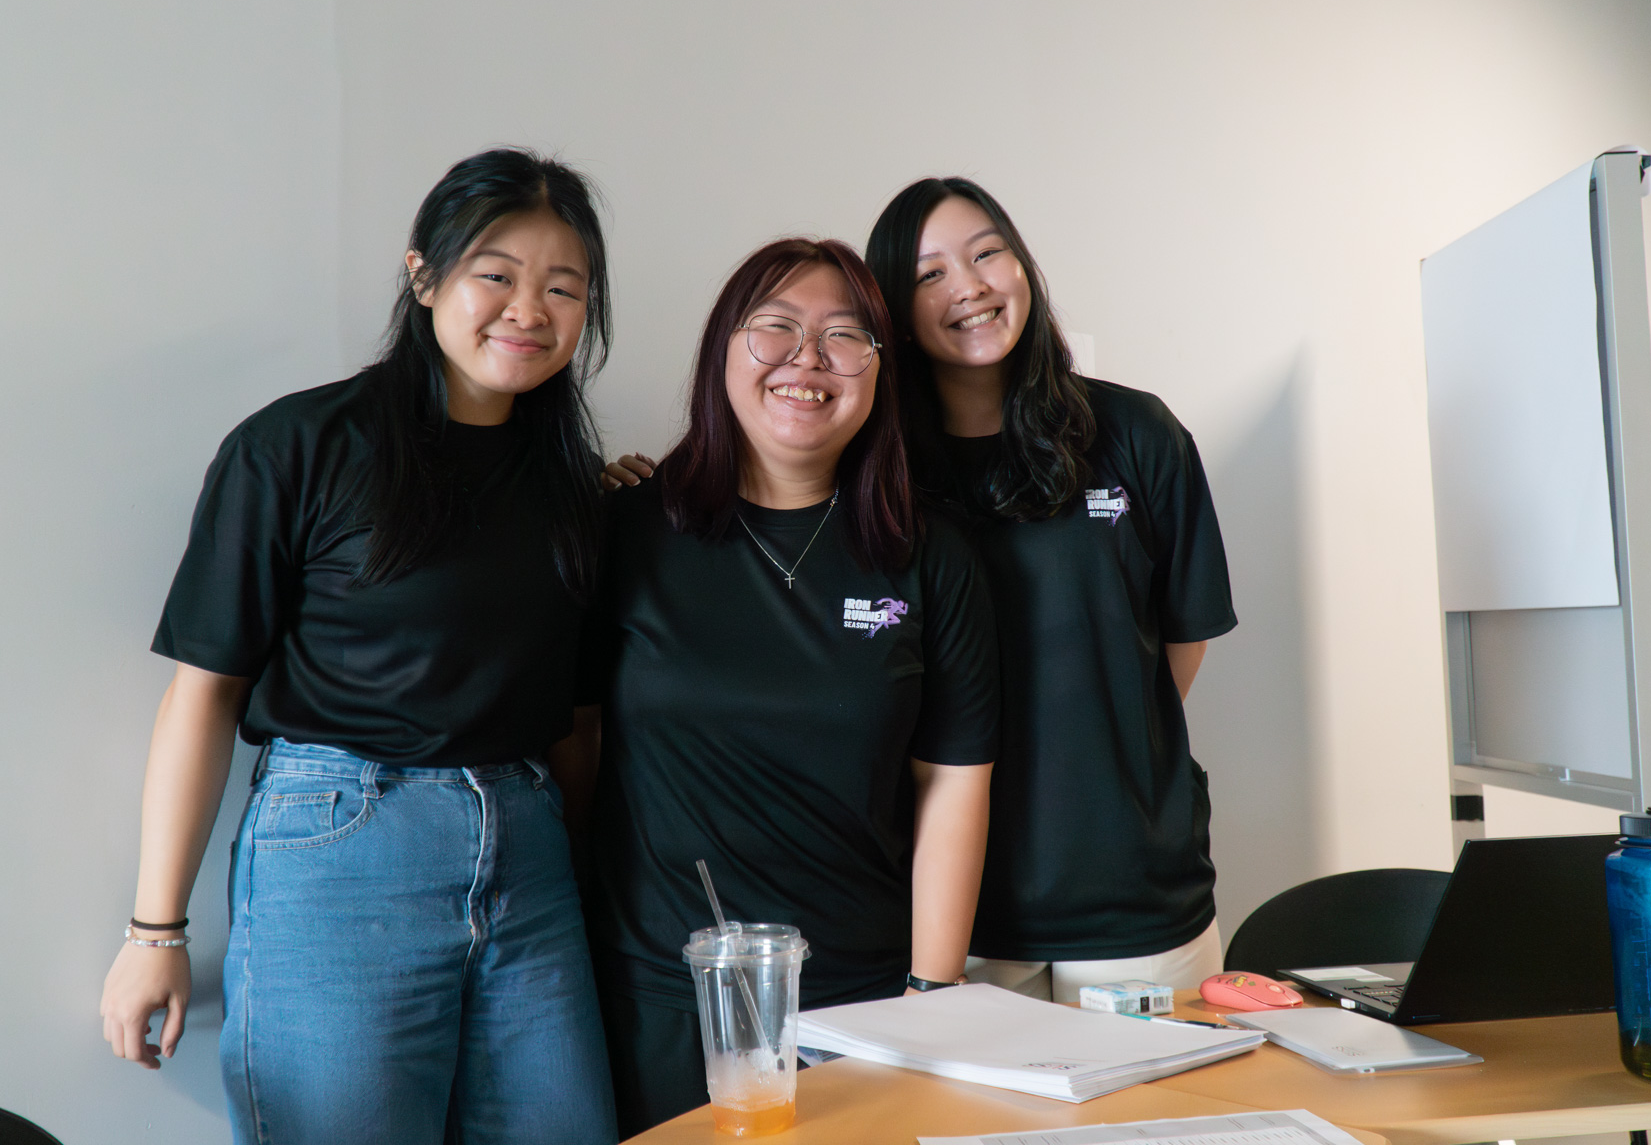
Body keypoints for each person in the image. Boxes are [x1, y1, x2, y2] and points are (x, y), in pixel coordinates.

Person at [97, 148, 618, 1145]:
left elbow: (578, 717)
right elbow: (202, 696)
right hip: (343, 837)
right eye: (496, 275)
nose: (529, 310)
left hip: (529, 853)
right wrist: (154, 929)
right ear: (423, 276)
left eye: (564, 287)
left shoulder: (572, 487)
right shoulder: (298, 447)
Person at [577, 238, 1000, 1136]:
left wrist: (932, 990)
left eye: (845, 338)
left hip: (863, 999)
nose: (807, 360)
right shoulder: (627, 532)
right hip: (659, 988)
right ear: (721, 351)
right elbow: (571, 744)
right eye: (775, 328)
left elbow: (955, 779)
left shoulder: (932, 554)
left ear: (880, 374)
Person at [865, 178, 1237, 999]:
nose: (969, 286)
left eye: (987, 252)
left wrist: (1106, 747)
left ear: (1023, 266)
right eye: (929, 274)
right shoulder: (879, 476)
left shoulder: (1137, 434)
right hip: (948, 922)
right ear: (893, 308)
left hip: (1137, 909)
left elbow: (1181, 639)